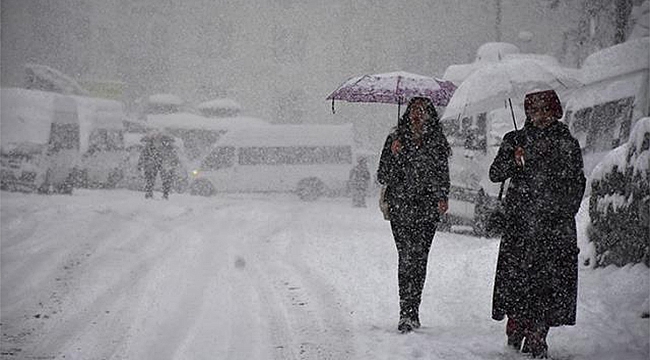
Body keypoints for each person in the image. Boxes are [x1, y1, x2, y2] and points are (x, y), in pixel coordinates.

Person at [489, 89, 586, 358]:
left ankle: (538, 334)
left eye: (546, 110)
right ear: (528, 112)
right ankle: (517, 323)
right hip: (520, 225)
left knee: (548, 284)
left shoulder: (566, 143)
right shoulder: (515, 139)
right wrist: (513, 159)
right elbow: (495, 174)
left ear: (555, 111)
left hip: (554, 226)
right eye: (535, 110)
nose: (540, 116)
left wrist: (563, 211)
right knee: (518, 281)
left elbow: (577, 183)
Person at [377, 96, 450, 333]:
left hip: (427, 209)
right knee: (406, 257)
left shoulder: (436, 142)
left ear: (430, 115)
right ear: (407, 113)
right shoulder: (395, 139)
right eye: (414, 111)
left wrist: (441, 196)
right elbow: (382, 175)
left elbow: (442, 174)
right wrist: (395, 154)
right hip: (401, 207)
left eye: (423, 111)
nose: (418, 115)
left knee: (419, 259)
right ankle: (405, 312)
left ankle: (414, 309)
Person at [137, 132, 179, 200]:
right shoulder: (168, 148)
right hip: (158, 164)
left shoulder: (150, 147)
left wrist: (140, 164)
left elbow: (143, 155)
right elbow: (174, 157)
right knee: (156, 179)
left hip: (156, 164)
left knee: (153, 179)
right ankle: (156, 194)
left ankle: (153, 193)